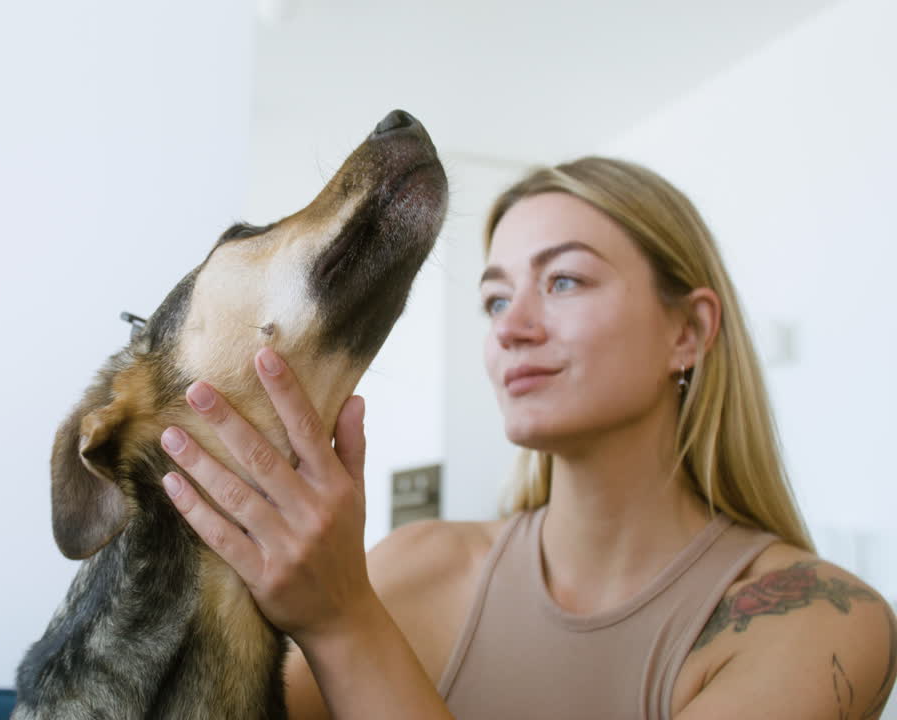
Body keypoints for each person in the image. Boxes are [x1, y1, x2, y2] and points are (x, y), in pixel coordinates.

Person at [156, 157, 896, 719]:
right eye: (496, 298)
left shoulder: (817, 617)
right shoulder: (413, 566)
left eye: (565, 282)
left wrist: (344, 624)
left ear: (689, 330)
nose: (511, 327)